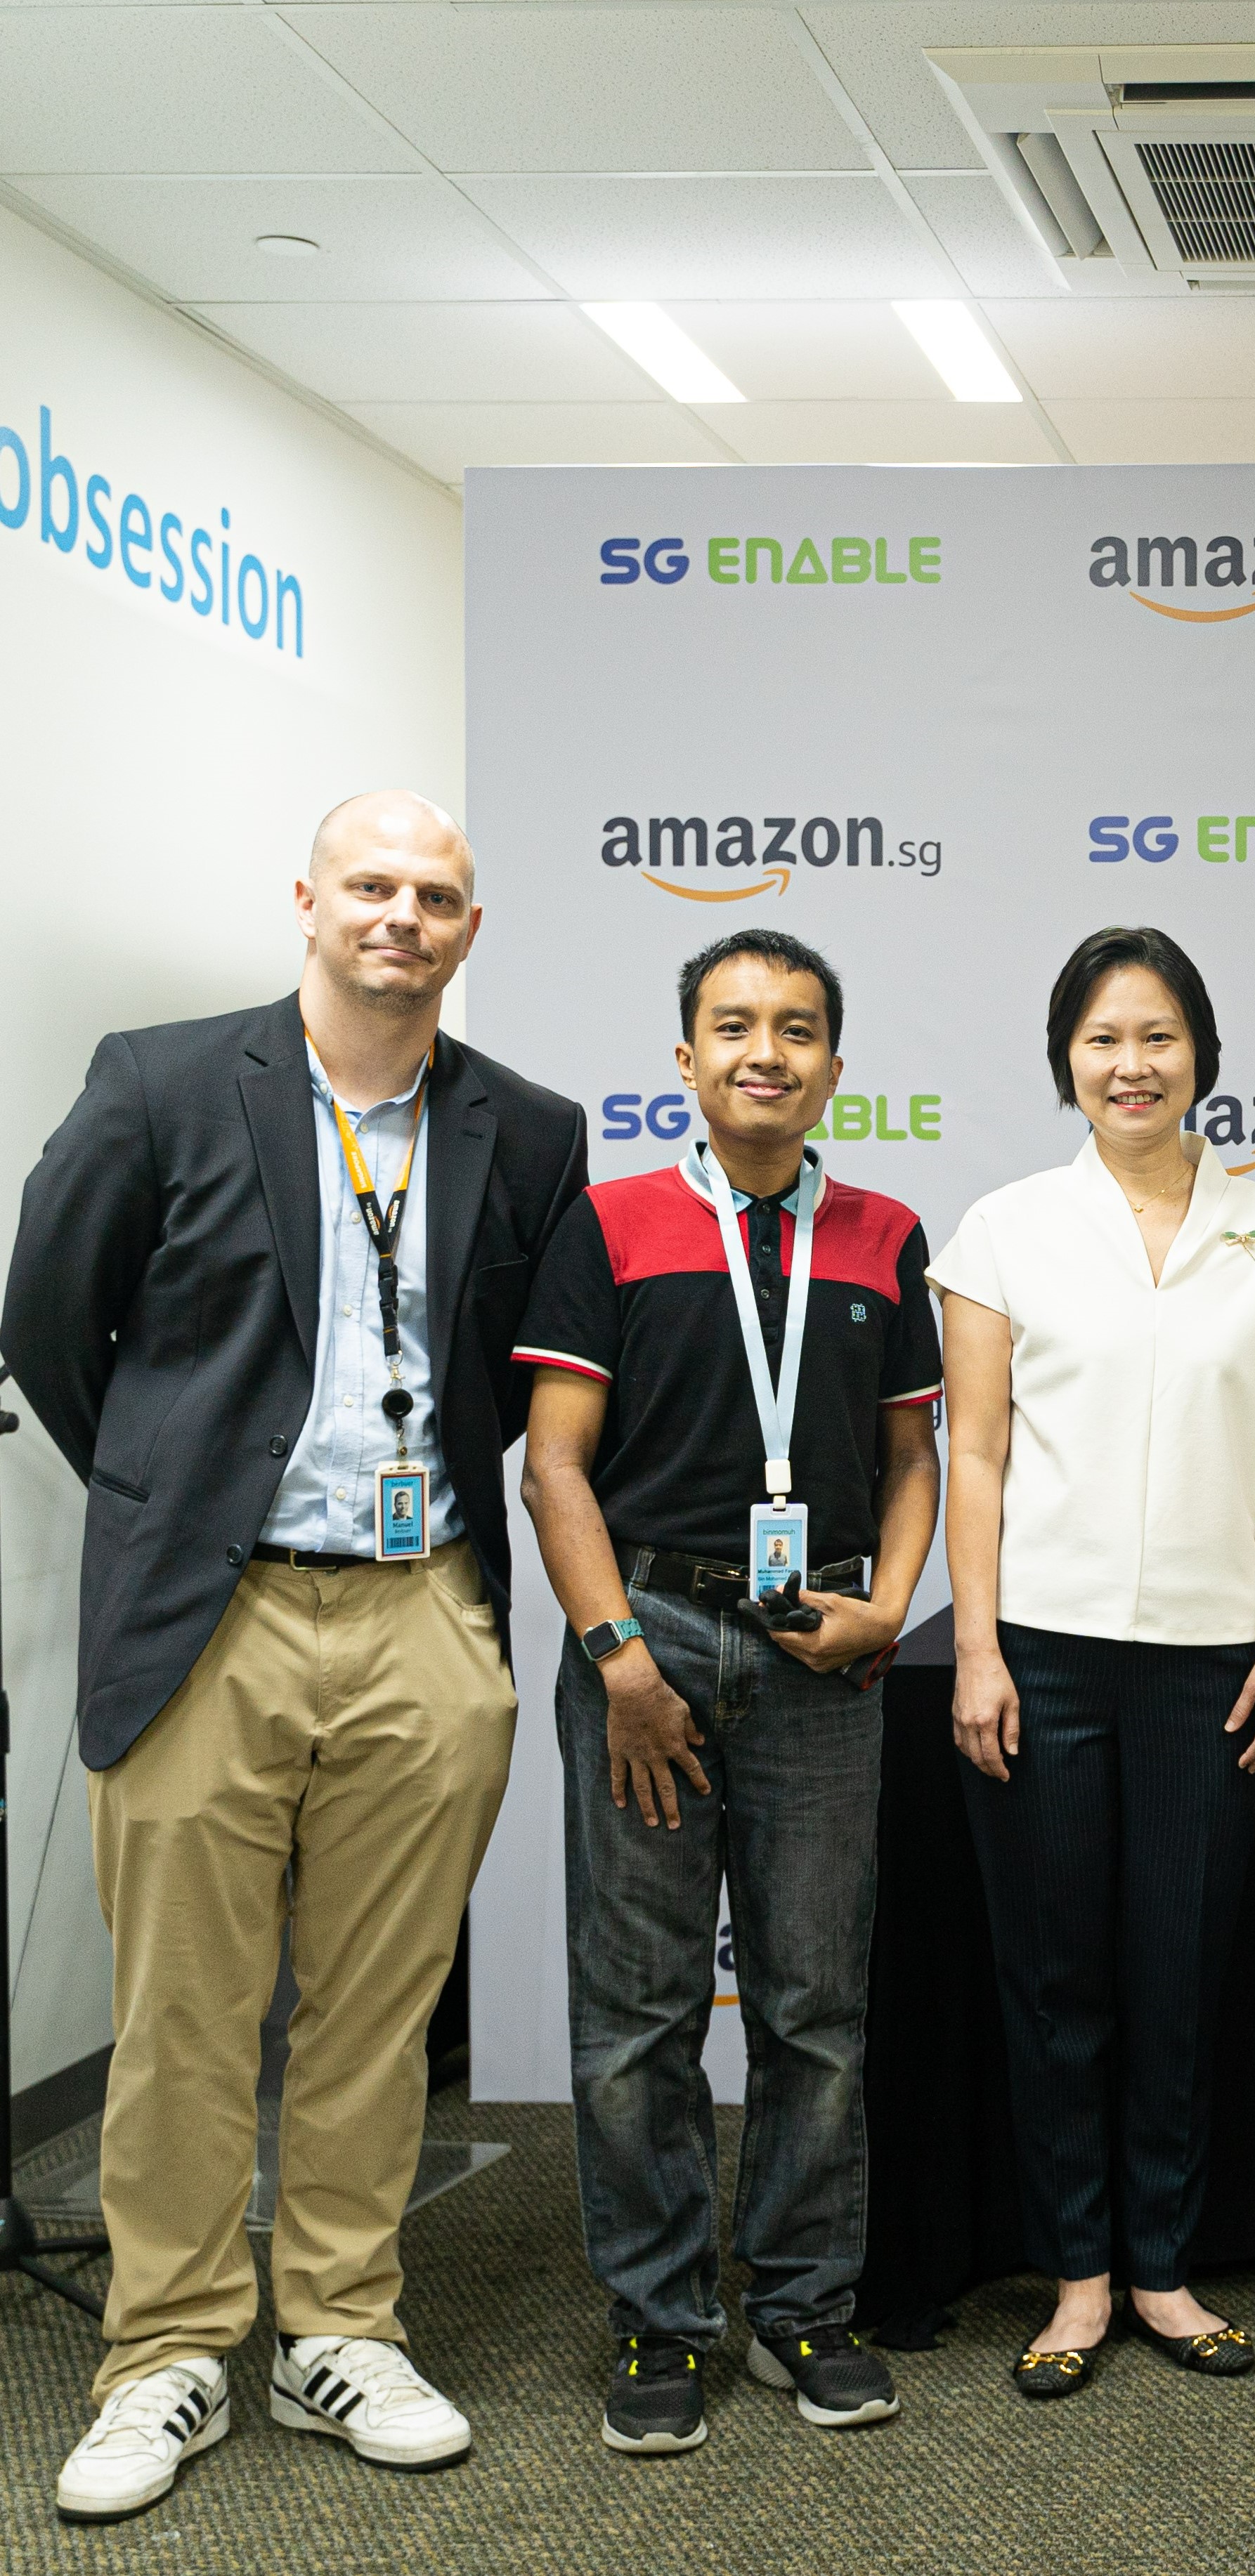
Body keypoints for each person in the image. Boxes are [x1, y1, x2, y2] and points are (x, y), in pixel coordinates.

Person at [4, 792, 587, 2525]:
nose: (402, 916)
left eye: (438, 895)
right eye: (373, 887)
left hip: (422, 1608)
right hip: (215, 1610)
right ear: (309, 903)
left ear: (471, 931)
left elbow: (509, 1366)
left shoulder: (528, 1130)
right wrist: (179, 1498)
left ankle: (339, 2327)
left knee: (377, 2010)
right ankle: (166, 2351)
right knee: (186, 2010)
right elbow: (49, 1320)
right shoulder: (163, 1081)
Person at [514, 929, 942, 2453]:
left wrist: (887, 1607)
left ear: (835, 1063)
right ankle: (656, 2315)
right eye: (733, 1025)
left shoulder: (885, 1233)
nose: (767, 1051)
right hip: (654, 1636)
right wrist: (616, 1657)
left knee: (815, 2005)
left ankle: (804, 2304)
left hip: (821, 1645)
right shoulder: (613, 1221)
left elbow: (909, 1459)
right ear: (684, 1058)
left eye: (799, 1028)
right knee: (637, 2012)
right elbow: (552, 1461)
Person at [932, 926, 1255, 2392]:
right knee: (1059, 1979)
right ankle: (1077, 2278)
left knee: (1179, 1971)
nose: (1132, 1063)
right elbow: (971, 1450)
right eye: (1104, 1038)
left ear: (1202, 1057)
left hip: (1209, 1660)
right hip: (1040, 1657)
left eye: (1159, 1036)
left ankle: (1165, 2270)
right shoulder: (1002, 1229)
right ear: (1066, 1058)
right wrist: (974, 1644)